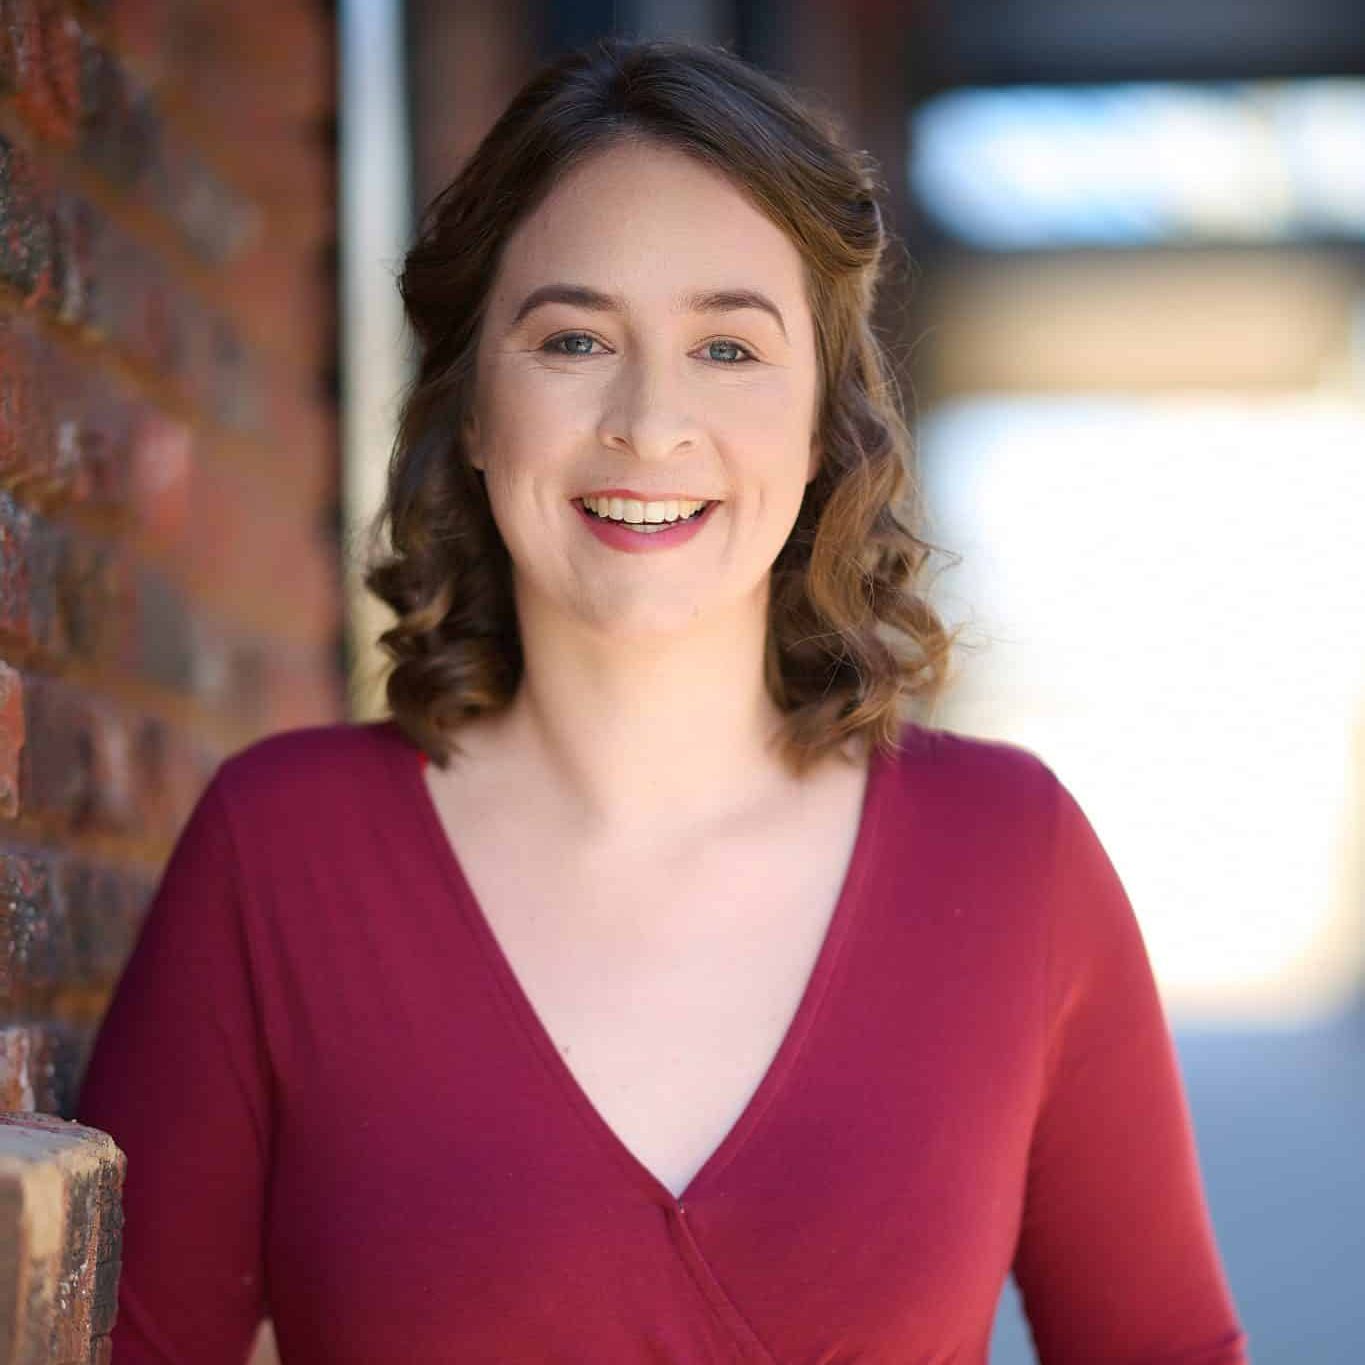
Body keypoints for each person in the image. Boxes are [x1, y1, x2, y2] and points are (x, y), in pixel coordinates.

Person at [75, 36, 1250, 1365]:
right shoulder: (284, 852)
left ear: (819, 427)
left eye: (727, 347)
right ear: (471, 408)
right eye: (573, 337)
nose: (648, 419)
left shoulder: (1010, 858)